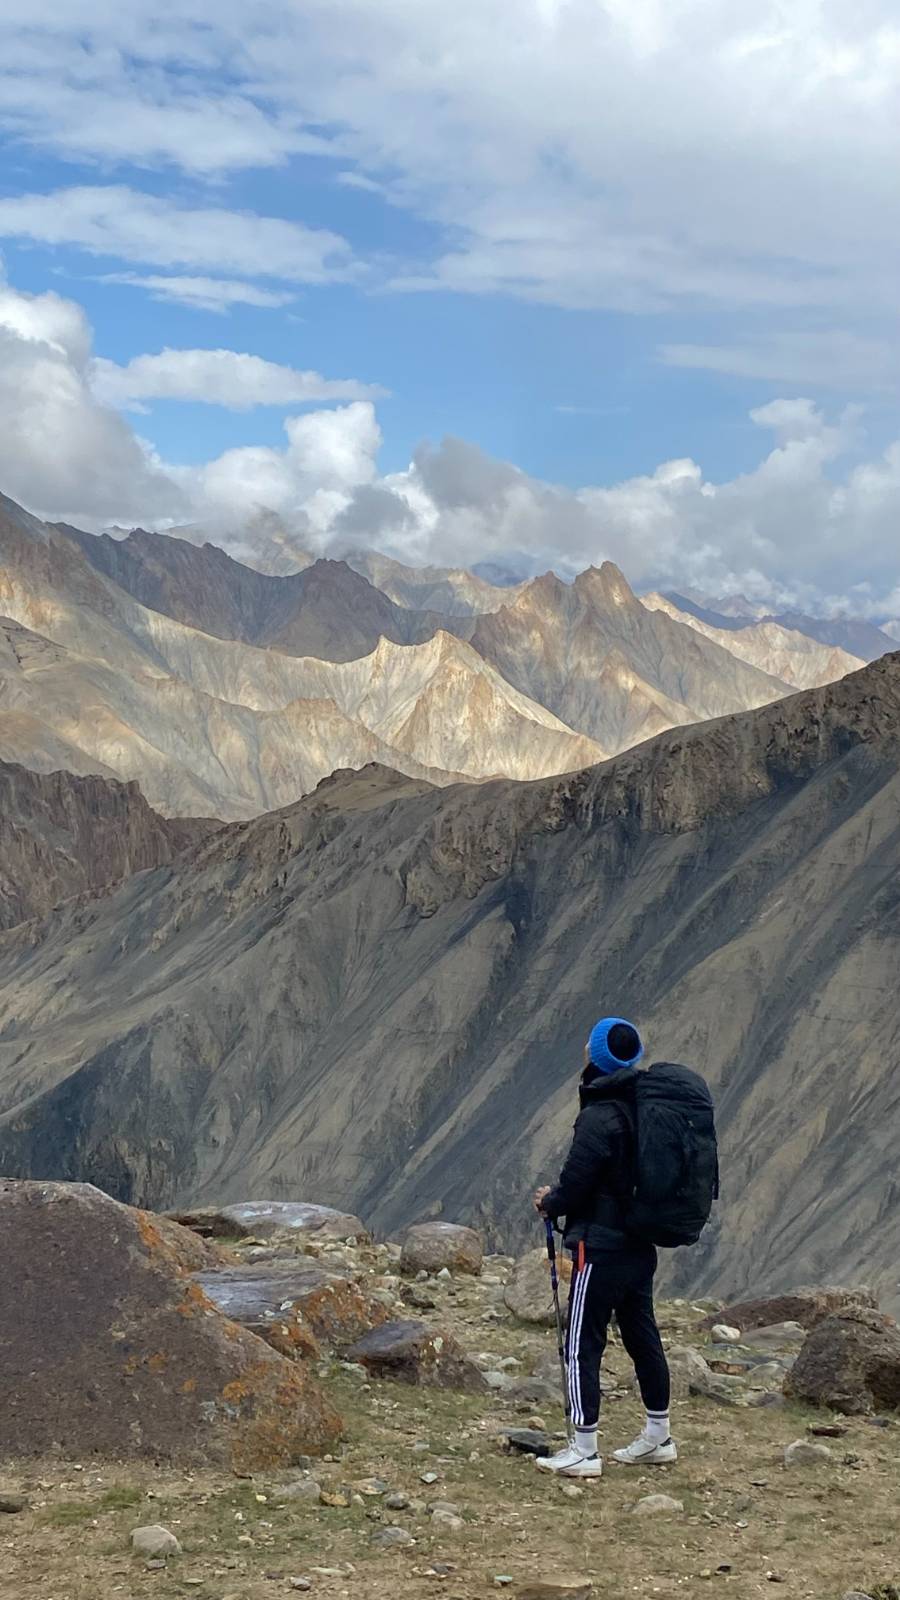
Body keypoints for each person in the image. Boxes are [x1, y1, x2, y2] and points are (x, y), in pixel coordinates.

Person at [533, 1015, 674, 1479]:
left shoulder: (598, 1116)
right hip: (639, 1244)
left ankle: (584, 1446)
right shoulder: (647, 1109)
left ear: (597, 1056)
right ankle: (658, 1435)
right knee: (641, 1335)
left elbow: (576, 1185)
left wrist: (549, 1201)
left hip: (599, 1247)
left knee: (580, 1342)